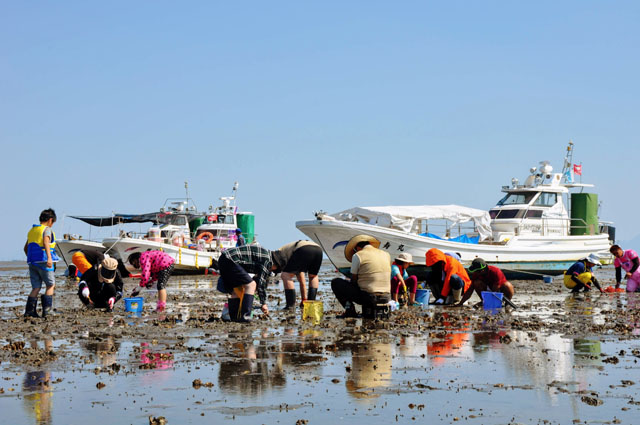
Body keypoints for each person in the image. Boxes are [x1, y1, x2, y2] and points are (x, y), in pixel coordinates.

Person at [330, 235, 391, 318]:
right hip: (387, 297)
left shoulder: (358, 255)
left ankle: (350, 310)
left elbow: (354, 280)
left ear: (358, 248)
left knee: (336, 282)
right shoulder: (386, 254)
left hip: (369, 297)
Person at [218, 244, 275, 322]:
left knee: (237, 289)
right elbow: (261, 284)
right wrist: (263, 303)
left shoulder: (263, 258)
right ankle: (245, 317)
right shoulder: (267, 261)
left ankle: (234, 318)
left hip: (224, 259)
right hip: (230, 259)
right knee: (251, 285)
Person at [23, 208, 59, 318]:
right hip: (44, 261)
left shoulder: (32, 231)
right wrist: (49, 258)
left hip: (32, 262)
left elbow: (25, 248)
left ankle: (29, 312)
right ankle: (47, 311)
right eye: (53, 222)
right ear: (50, 220)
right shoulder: (46, 230)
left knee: (36, 287)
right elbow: (46, 242)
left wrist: (31, 258)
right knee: (50, 284)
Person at [271, 240, 323, 310]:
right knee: (313, 276)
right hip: (318, 249)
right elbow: (302, 282)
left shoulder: (280, 255)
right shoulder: (290, 255)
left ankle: (290, 306)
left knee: (285, 275)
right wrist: (304, 299)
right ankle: (310, 305)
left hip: (302, 249)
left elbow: (278, 266)